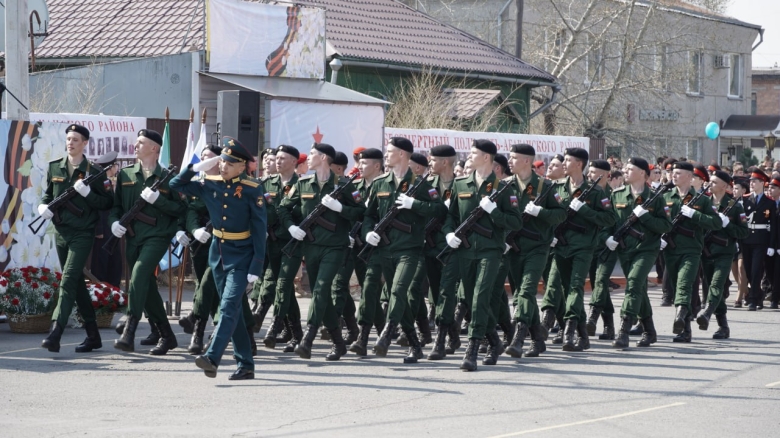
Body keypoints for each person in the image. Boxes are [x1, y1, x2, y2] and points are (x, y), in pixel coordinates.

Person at [170, 136, 266, 380]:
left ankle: (213, 357)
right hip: (219, 253)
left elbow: (259, 230)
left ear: (242, 166)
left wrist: (256, 265)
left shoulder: (252, 189)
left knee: (228, 308)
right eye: (221, 161)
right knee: (232, 310)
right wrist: (195, 168)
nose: (222, 166)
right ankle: (245, 364)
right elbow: (175, 184)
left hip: (242, 255)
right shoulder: (210, 183)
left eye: (229, 163)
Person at [279, 143, 365, 361]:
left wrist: (340, 209)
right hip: (311, 246)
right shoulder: (303, 184)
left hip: (335, 247)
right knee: (322, 294)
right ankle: (338, 342)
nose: (308, 158)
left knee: (321, 288)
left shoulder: (344, 185)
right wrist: (292, 227)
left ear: (325, 157)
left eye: (313, 154)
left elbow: (361, 212)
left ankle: (308, 337)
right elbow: (283, 208)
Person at [362, 137, 444, 363]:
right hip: (385, 249)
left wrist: (414, 204)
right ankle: (415, 345)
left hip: (410, 250)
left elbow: (439, 211)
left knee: (398, 291)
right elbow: (368, 216)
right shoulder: (380, 183)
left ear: (402, 155)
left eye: (390, 151)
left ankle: (387, 333)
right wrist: (368, 233)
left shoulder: (421, 184)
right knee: (401, 299)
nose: (386, 155)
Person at [443, 139, 522, 370]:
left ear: (486, 157)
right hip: (465, 251)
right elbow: (451, 216)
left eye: (473, 153)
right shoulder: (461, 184)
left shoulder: (505, 188)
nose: (469, 156)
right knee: (471, 299)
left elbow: (515, 223)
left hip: (490, 251)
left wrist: (495, 212)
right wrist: (449, 234)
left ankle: (473, 348)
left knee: (480, 297)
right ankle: (495, 341)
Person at [110, 129, 187, 355]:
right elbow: (116, 207)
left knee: (140, 273)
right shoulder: (125, 175)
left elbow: (181, 210)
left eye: (141, 142)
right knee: (147, 287)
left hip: (157, 236)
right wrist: (114, 222)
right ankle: (167, 335)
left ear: (154, 148)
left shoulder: (169, 178)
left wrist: (159, 200)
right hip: (133, 237)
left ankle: (130, 330)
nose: (135, 145)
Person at [40, 124, 114, 353]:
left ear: (85, 143)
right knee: (76, 283)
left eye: (75, 139)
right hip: (61, 232)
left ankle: (56, 331)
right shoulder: (55, 167)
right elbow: (48, 195)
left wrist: (89, 194)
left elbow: (108, 203)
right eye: (68, 139)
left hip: (83, 233)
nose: (70, 142)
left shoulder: (95, 171)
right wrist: (44, 205)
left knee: (68, 279)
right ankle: (93, 335)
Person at [543, 148, 615, 352]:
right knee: (554, 286)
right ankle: (583, 336)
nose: (563, 163)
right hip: (561, 246)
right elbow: (549, 216)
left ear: (579, 164)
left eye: (567, 160)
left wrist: (584, 210)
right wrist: (551, 235)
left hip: (583, 248)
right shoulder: (556, 188)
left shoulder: (595, 191)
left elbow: (609, 219)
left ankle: (569, 330)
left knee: (575, 287)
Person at [503, 144, 565, 358]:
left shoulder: (544, 187)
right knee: (522, 293)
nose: (509, 161)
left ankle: (519, 338)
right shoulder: (505, 186)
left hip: (537, 248)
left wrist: (541, 212)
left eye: (514, 158)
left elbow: (560, 215)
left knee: (526, 291)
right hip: (513, 248)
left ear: (527, 161)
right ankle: (538, 340)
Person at [606, 158, 671, 348]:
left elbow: (666, 226)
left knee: (633, 284)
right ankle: (649, 331)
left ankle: (624, 330)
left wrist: (647, 217)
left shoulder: (656, 198)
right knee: (639, 289)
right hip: (625, 251)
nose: (625, 171)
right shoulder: (617, 195)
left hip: (646, 250)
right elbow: (608, 221)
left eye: (630, 169)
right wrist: (608, 238)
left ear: (642, 173)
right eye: (625, 169)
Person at [661, 161, 721, 343]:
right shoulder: (665, 197)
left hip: (691, 250)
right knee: (675, 284)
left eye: (678, 173)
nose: (674, 175)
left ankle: (680, 314)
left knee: (684, 284)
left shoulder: (701, 200)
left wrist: (694, 214)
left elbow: (716, 223)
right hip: (670, 249)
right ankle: (685, 329)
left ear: (689, 176)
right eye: (673, 172)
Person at [254, 145, 304, 352]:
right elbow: (259, 210)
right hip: (271, 242)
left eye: (283, 158)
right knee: (285, 291)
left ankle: (274, 328)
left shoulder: (302, 185)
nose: (278, 161)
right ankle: (297, 333)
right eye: (277, 158)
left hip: (292, 244)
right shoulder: (267, 184)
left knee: (283, 284)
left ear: (294, 162)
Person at [421, 145, 463, 360]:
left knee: (447, 293)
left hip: (452, 247)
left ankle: (440, 340)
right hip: (430, 246)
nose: (430, 162)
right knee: (437, 294)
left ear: (445, 162)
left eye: (433, 159)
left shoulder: (462, 185)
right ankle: (454, 335)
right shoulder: (425, 184)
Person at [347, 148, 389, 356]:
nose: (360, 166)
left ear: (377, 166)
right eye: (359, 163)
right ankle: (381, 333)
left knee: (374, 289)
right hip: (358, 245)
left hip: (382, 246)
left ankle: (366, 336)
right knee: (369, 289)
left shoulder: (387, 185)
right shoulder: (354, 187)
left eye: (364, 163)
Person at [698, 170, 748, 339]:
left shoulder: (734, 206)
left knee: (717, 285)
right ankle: (723, 326)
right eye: (709, 181)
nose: (709, 184)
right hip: (706, 252)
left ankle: (707, 312)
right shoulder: (704, 202)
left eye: (713, 182)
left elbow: (743, 232)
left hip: (725, 253)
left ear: (725, 186)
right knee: (710, 286)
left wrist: (727, 224)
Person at [585, 159, 619, 340]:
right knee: (601, 286)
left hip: (608, 248)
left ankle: (593, 317)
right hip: (592, 246)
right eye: (589, 172)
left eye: (594, 173)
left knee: (600, 281)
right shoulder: (589, 194)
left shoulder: (613, 195)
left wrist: (608, 238)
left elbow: (615, 221)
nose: (590, 176)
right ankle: (609, 327)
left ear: (606, 175)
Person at [740, 168, 776, 311]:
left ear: (762, 183)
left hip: (761, 240)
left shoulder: (770, 203)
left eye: (755, 181)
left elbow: (773, 226)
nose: (752, 184)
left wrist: (772, 245)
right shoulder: (745, 200)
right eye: (751, 181)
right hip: (746, 239)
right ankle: (759, 295)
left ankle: (753, 299)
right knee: (748, 271)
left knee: (756, 271)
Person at [90, 152, 122, 288]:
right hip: (103, 229)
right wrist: (99, 229)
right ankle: (100, 291)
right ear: (110, 167)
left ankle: (113, 290)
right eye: (116, 165)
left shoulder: (106, 182)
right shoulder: (100, 182)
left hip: (111, 229)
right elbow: (97, 207)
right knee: (101, 263)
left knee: (114, 261)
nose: (117, 168)